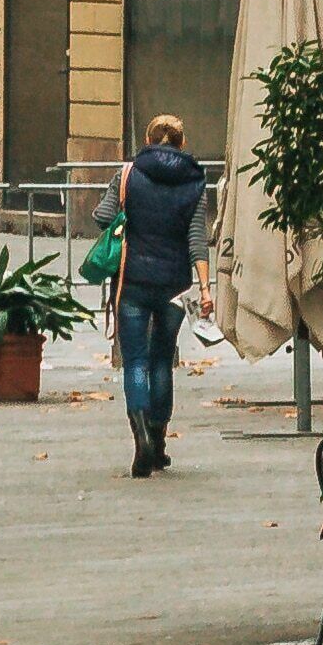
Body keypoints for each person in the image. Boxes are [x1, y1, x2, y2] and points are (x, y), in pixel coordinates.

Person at [104, 113, 211, 478]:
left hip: (132, 280)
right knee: (162, 360)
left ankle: (140, 440)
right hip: (175, 287)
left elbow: (103, 216)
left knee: (135, 360)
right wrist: (206, 288)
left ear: (149, 140)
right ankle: (159, 440)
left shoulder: (128, 175)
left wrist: (124, 221)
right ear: (181, 143)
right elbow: (197, 240)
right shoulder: (194, 181)